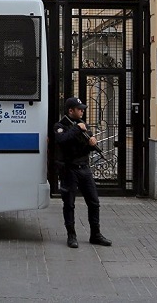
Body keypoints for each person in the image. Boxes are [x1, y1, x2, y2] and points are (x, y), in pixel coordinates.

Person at [53, 97, 112, 249]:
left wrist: (92, 143)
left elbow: (85, 145)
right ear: (70, 110)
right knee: (69, 204)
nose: (82, 110)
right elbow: (62, 140)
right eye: (79, 109)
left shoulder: (83, 125)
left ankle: (96, 234)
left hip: (84, 169)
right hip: (69, 170)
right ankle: (71, 235)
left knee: (94, 202)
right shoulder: (60, 126)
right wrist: (77, 128)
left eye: (82, 108)